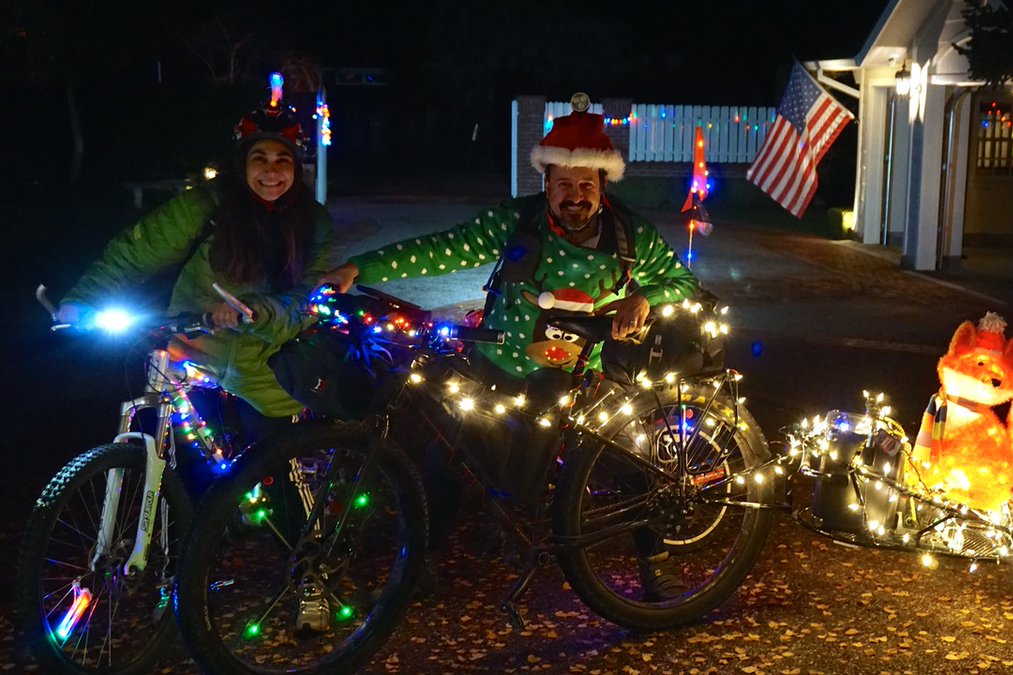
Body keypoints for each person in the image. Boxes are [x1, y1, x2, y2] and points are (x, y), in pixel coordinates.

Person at [319, 93, 698, 601]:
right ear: (545, 184)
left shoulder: (633, 238)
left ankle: (655, 559)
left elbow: (685, 284)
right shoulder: (516, 222)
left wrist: (646, 298)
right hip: (494, 364)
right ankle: (420, 559)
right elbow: (443, 249)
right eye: (563, 183)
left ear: (602, 186)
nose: (575, 194)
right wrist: (359, 268)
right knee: (450, 456)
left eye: (586, 183)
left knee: (629, 457)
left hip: (580, 377)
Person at [56, 101, 336, 628]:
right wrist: (84, 298)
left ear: (295, 168)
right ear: (241, 162)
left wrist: (260, 312)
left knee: (275, 464)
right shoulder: (206, 206)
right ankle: (182, 567)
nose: (271, 170)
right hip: (191, 349)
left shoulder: (312, 220)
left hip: (265, 359)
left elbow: (308, 297)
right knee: (175, 464)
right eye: (260, 157)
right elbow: (135, 251)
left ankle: (310, 575)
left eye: (283, 159)